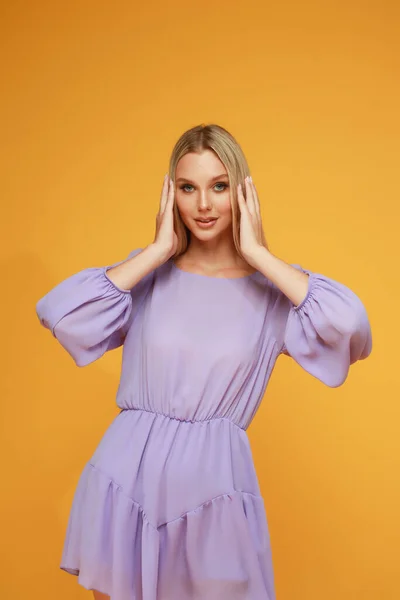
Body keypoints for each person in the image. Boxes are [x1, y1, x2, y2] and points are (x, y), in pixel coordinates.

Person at [36, 123, 372, 600]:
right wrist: (156, 251)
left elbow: (351, 327)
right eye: (188, 188)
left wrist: (258, 254)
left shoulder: (275, 295)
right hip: (125, 485)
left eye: (219, 186)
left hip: (215, 495)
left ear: (242, 192)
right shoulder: (149, 275)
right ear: (171, 195)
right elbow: (61, 314)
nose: (204, 205)